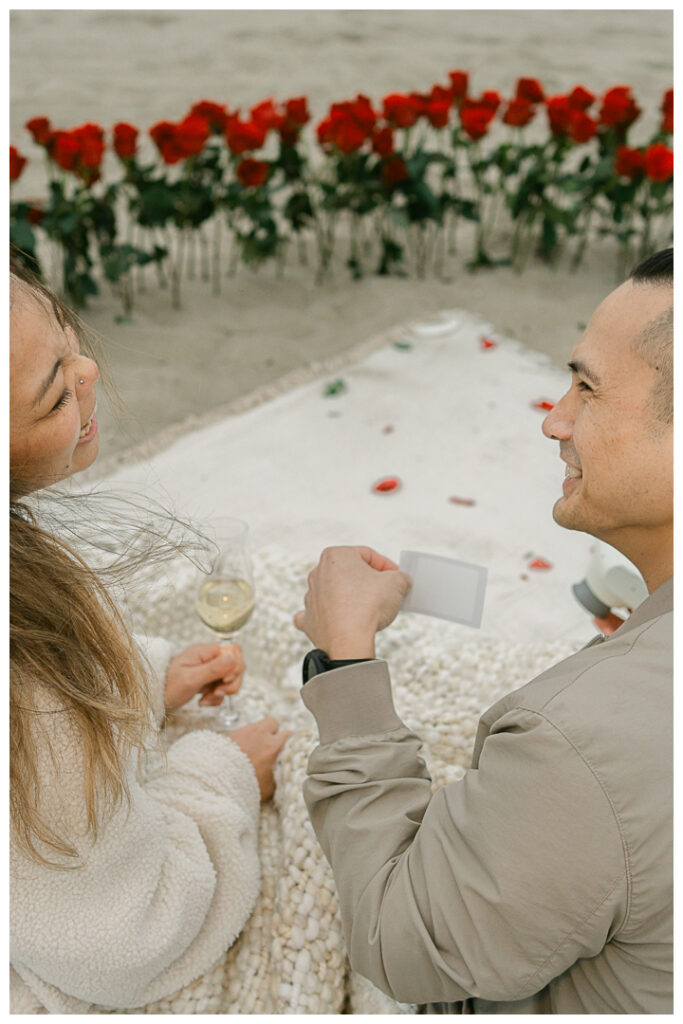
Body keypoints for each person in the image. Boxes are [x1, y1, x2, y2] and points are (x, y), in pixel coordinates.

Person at [293, 248, 673, 1013]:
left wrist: (343, 668)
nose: (553, 418)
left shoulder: (582, 743)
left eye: (587, 388)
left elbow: (410, 946)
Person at [9, 265, 291, 1013]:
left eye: (70, 343)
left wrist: (135, 678)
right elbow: (114, 942)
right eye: (54, 390)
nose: (88, 370)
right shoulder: (26, 695)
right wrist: (221, 773)